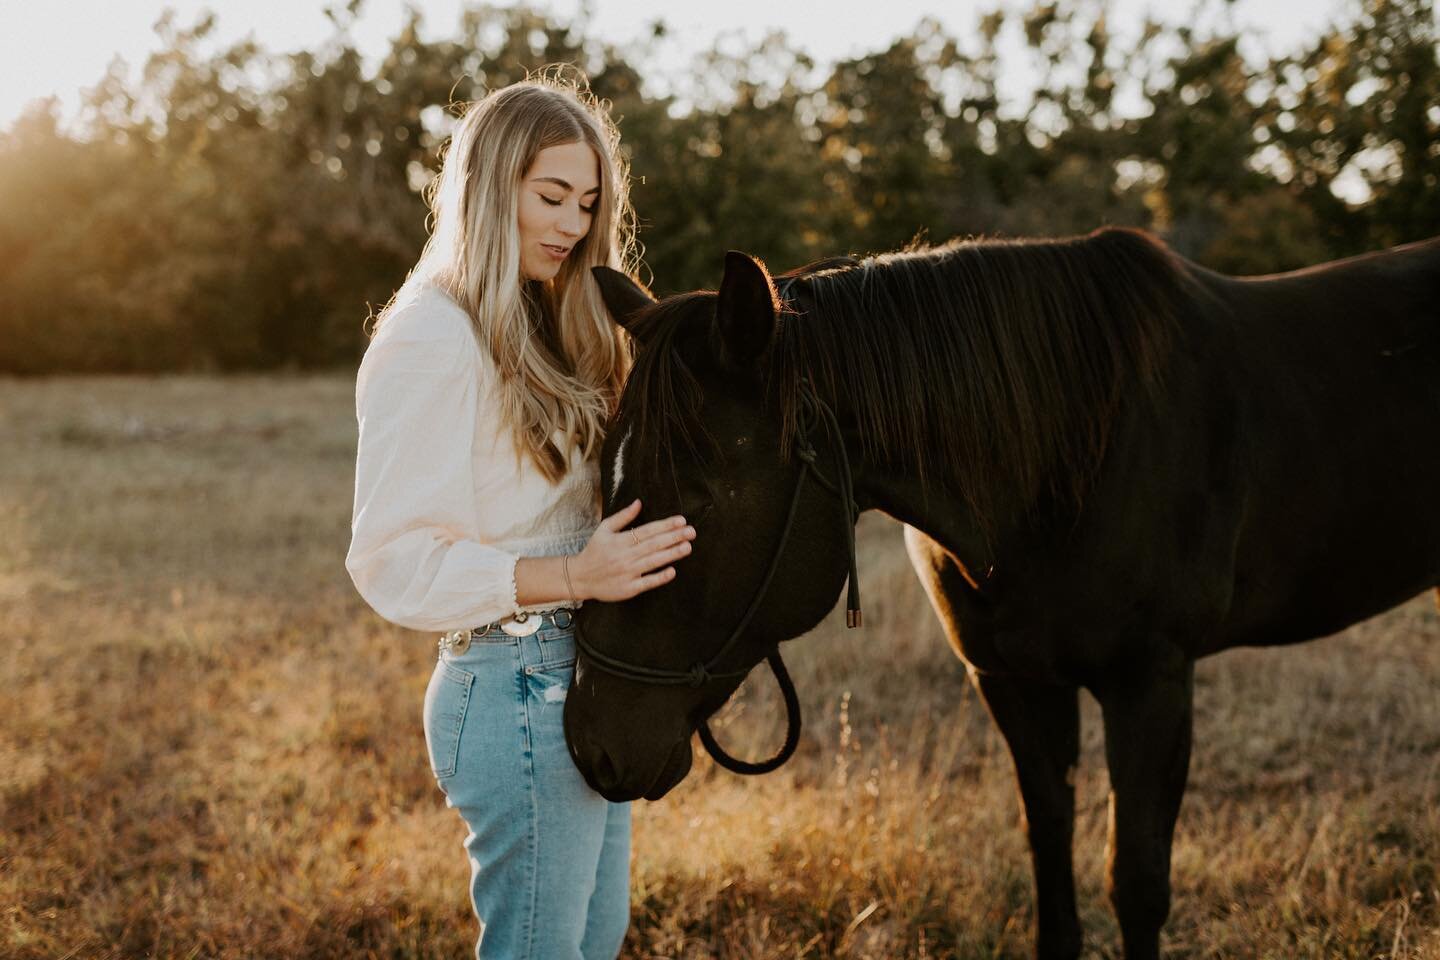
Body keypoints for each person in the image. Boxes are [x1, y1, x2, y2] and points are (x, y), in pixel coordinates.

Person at [344, 72, 696, 959]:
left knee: (593, 939)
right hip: (513, 683)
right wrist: (576, 575)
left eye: (586, 203)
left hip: (586, 670)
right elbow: (395, 559)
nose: (572, 226)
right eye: (550, 197)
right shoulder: (432, 336)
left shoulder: (556, 320)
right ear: (487, 182)